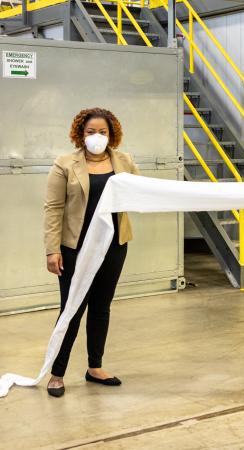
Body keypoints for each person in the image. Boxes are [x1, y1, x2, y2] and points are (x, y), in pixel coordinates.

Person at [44, 108, 139, 397]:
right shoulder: (65, 164)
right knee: (71, 309)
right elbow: (53, 208)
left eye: (102, 132)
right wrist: (52, 250)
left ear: (111, 135)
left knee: (101, 307)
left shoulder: (124, 161)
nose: (97, 137)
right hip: (75, 248)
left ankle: (94, 367)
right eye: (90, 132)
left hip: (113, 245)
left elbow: (141, 191)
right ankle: (57, 373)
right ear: (80, 134)